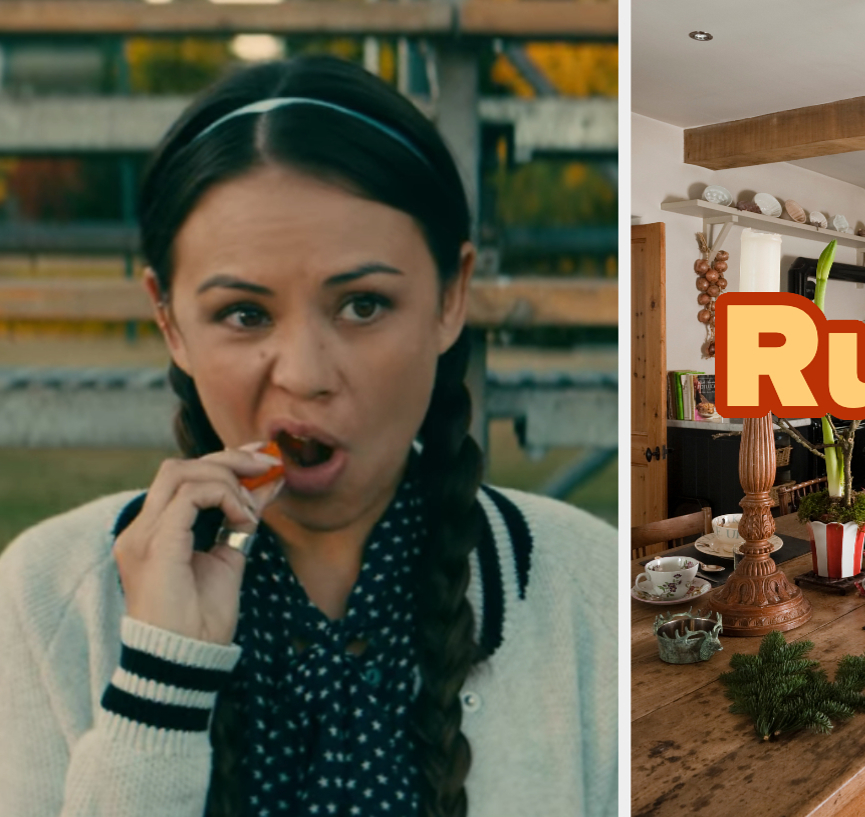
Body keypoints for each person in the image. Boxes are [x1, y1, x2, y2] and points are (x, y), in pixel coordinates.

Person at [0, 55, 617, 817]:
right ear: (169, 320)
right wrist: (161, 683)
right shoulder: (45, 597)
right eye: (245, 314)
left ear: (451, 296)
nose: (305, 374)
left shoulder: (589, 591)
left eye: (362, 305)